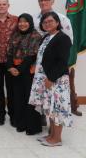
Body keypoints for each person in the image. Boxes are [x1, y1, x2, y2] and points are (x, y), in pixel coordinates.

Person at [29, 12, 72, 147]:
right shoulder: (47, 37)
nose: (47, 24)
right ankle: (51, 134)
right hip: (45, 78)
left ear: (57, 22)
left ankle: (57, 139)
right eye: (45, 22)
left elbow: (62, 61)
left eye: (50, 21)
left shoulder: (63, 38)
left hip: (56, 80)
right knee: (50, 108)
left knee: (58, 108)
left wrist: (51, 78)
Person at [6, 13, 42, 135]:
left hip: (28, 72)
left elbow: (32, 55)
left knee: (29, 98)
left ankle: (31, 126)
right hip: (15, 71)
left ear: (30, 22)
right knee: (17, 98)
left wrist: (19, 69)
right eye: (20, 21)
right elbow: (9, 52)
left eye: (25, 21)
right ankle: (20, 123)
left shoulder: (36, 35)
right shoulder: (15, 34)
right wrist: (11, 67)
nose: (22, 24)